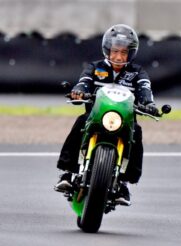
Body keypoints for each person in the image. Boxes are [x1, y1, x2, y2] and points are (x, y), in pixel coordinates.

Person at [54, 24, 158, 206]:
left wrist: (149, 104)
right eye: (115, 51)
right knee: (80, 122)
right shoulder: (94, 68)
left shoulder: (137, 72)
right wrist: (78, 92)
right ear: (107, 50)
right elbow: (83, 83)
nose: (118, 56)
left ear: (130, 54)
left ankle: (125, 183)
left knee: (137, 133)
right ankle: (68, 172)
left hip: (124, 121)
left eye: (124, 52)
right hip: (95, 118)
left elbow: (145, 90)